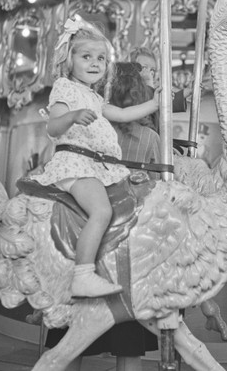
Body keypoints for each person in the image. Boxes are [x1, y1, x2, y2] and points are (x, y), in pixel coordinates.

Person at [30, 18, 159, 298]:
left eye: (100, 58)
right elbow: (53, 127)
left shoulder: (93, 96)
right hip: (76, 164)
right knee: (102, 211)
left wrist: (157, 102)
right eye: (86, 56)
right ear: (69, 60)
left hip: (94, 165)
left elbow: (123, 115)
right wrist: (72, 116)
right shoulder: (64, 87)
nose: (94, 63)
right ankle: (83, 275)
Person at [45, 61, 160, 371]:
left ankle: (72, 276)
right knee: (129, 344)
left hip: (89, 210)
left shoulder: (94, 111)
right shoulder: (147, 138)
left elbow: (117, 115)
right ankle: (83, 275)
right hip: (124, 240)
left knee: (70, 341)